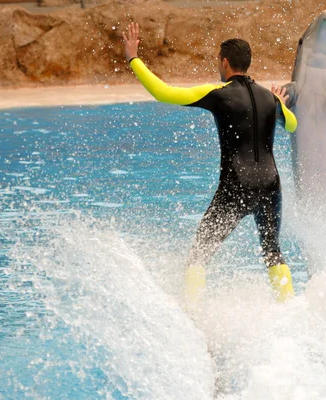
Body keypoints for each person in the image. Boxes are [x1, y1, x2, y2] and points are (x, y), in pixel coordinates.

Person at [122, 23, 297, 302]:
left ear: (224, 62)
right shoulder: (269, 97)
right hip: (270, 186)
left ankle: (193, 314)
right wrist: (280, 103)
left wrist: (133, 58)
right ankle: (289, 307)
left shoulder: (219, 94)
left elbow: (163, 92)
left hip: (236, 187)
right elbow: (292, 125)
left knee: (199, 253)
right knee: (272, 250)